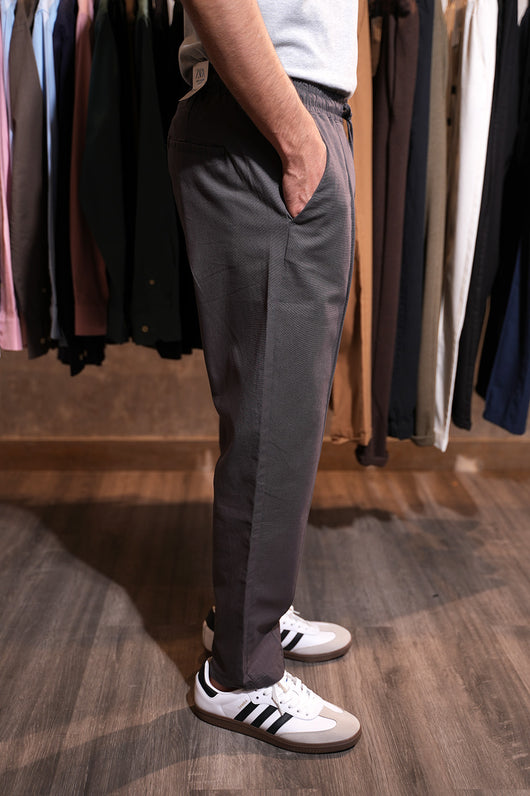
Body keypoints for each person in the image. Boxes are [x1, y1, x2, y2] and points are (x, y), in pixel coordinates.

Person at [167, 0, 361, 754]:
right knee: (274, 414)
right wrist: (296, 134)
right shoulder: (282, 125)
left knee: (280, 407)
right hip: (266, 114)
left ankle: (252, 614)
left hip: (279, 111)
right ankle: (241, 677)